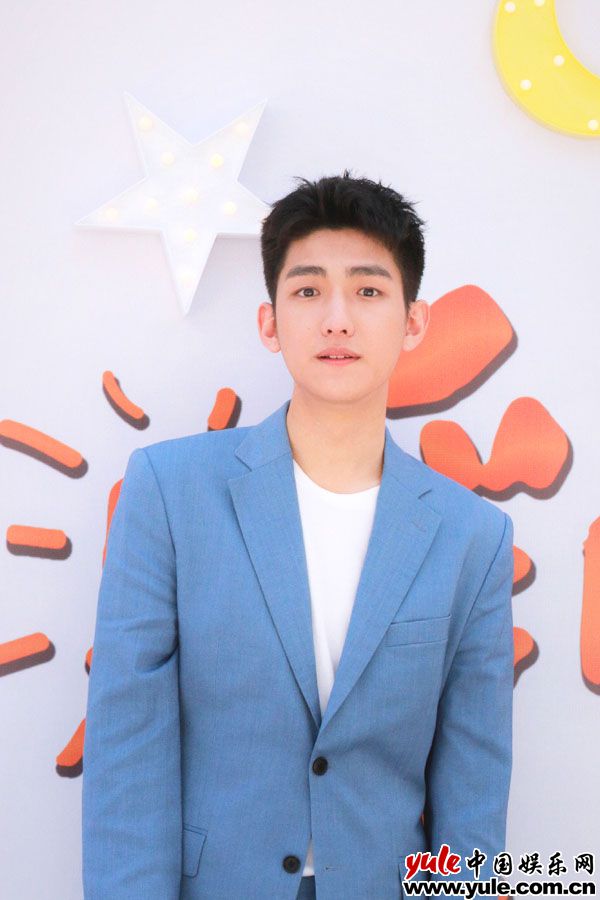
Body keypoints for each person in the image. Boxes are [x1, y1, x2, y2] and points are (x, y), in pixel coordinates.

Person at [82, 170, 515, 899]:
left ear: (414, 322)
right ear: (269, 322)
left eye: (369, 291)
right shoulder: (170, 492)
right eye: (309, 290)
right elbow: (129, 756)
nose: (337, 319)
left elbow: (473, 794)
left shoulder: (473, 536)